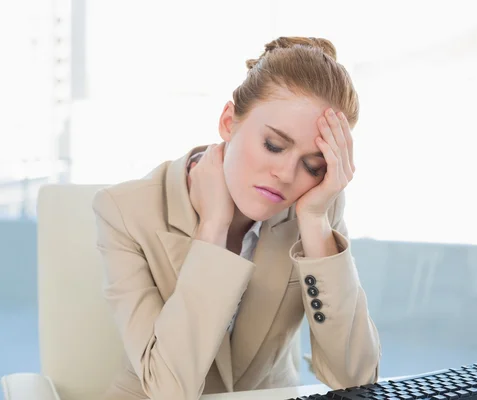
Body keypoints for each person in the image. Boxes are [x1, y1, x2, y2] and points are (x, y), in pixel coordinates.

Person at [92, 36, 381, 400]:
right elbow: (169, 390)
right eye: (274, 146)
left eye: (313, 165)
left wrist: (315, 223)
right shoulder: (126, 210)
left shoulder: (317, 209)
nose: (287, 174)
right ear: (229, 121)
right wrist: (212, 229)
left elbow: (354, 377)